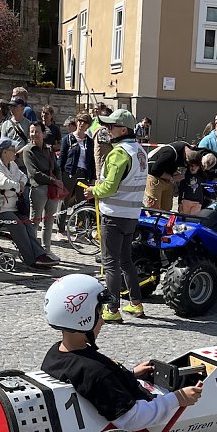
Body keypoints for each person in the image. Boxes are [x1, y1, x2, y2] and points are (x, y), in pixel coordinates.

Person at [41, 274, 202, 428]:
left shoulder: (56, 353)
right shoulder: (95, 372)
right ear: (83, 319)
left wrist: (129, 374)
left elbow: (99, 386)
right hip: (148, 409)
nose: (103, 321)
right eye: (99, 315)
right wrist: (177, 399)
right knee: (193, 381)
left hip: (130, 392)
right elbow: (132, 419)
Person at [82, 109, 147, 323]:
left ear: (123, 130)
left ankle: (112, 309)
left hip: (114, 215)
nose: (107, 129)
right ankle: (136, 304)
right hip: (131, 215)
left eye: (111, 126)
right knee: (127, 261)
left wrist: (93, 191)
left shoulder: (119, 153)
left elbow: (110, 187)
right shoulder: (140, 150)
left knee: (111, 263)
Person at [0, 137, 58, 270]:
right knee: (18, 226)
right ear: (4, 152)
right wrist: (18, 186)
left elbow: (23, 176)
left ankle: (40, 255)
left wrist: (19, 183)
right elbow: (4, 183)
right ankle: (31, 260)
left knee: (27, 224)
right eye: (12, 150)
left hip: (10, 204)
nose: (15, 152)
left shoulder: (12, 164)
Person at [22, 121, 63, 261]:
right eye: (32, 131)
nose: (34, 134)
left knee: (49, 221)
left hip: (52, 189)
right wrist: (54, 181)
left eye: (37, 131)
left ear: (43, 133)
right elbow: (34, 173)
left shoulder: (48, 149)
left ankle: (46, 250)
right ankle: (33, 251)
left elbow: (56, 168)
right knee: (35, 222)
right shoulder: (28, 150)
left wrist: (59, 182)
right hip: (38, 188)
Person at [145, 140, 217, 209]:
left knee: (166, 208)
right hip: (155, 178)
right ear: (186, 161)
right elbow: (154, 170)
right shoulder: (170, 153)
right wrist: (172, 178)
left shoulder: (191, 151)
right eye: (191, 166)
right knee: (154, 208)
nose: (192, 169)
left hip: (167, 178)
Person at [58, 113, 95, 231]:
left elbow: (92, 160)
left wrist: (93, 177)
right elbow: (62, 158)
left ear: (88, 125)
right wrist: (59, 176)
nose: (81, 124)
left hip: (83, 174)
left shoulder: (90, 142)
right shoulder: (67, 139)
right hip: (69, 173)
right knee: (64, 201)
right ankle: (60, 229)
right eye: (80, 121)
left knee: (81, 202)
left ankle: (80, 229)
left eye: (85, 122)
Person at [0, 97, 32, 165]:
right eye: (10, 106)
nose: (12, 109)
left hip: (23, 162)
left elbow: (30, 143)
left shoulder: (29, 124)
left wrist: (17, 154)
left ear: (22, 108)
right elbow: (3, 143)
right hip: (9, 162)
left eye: (14, 106)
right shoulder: (5, 124)